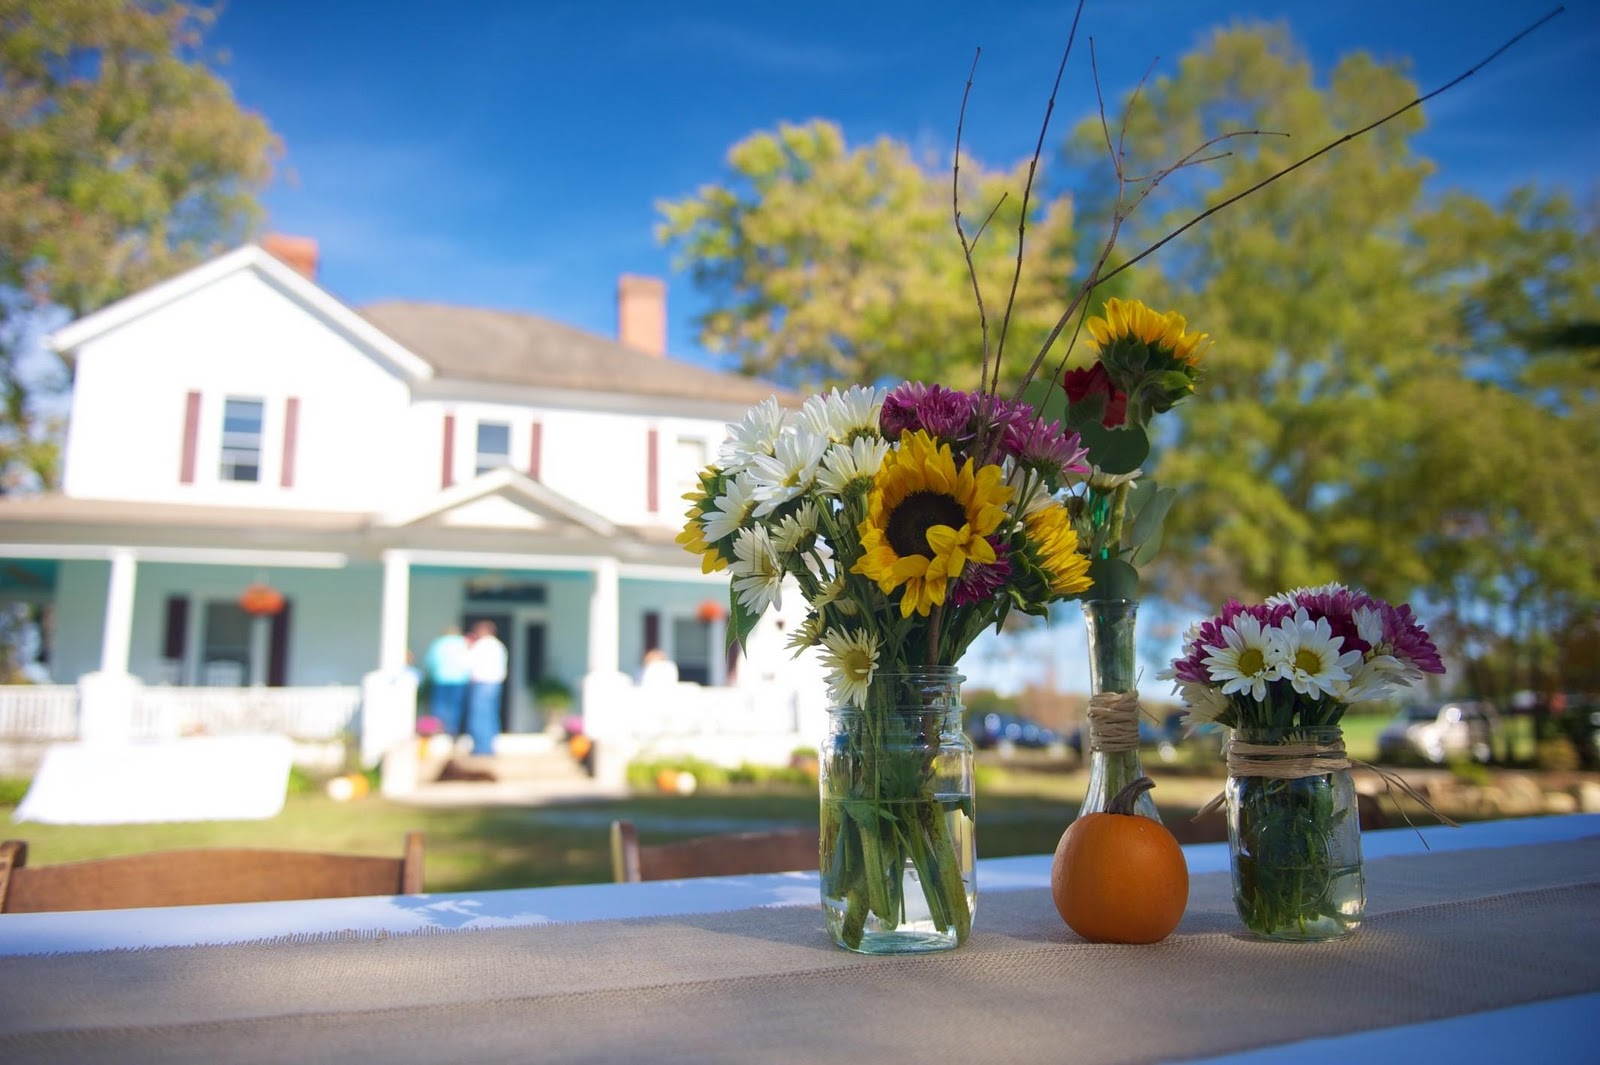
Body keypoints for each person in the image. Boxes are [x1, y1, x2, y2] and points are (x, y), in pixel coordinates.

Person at [465, 619, 508, 757]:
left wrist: (469, 647)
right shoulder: (499, 646)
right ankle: (489, 746)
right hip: (495, 684)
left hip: (482, 683)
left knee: (479, 715)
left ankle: (480, 747)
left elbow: (468, 663)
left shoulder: (480, 645)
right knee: (491, 715)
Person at [422, 626, 471, 738]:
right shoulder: (462, 643)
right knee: (455, 707)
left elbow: (430, 661)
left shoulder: (438, 643)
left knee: (439, 706)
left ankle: (439, 731)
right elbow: (469, 661)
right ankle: (451, 731)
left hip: (441, 679)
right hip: (459, 680)